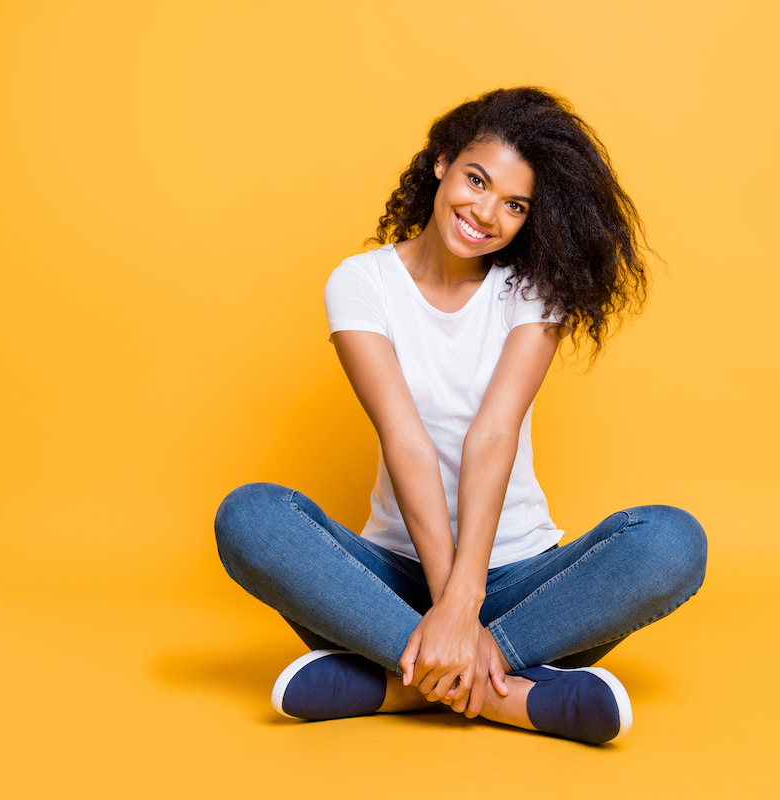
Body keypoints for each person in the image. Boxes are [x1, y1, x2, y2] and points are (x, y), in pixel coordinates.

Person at [214, 87, 706, 744]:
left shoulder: (534, 289)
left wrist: (466, 604)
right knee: (250, 518)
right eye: (477, 180)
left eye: (514, 205)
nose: (485, 212)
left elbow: (493, 433)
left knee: (672, 542)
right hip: (386, 587)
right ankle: (509, 697)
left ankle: (404, 682)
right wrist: (445, 605)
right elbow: (404, 438)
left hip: (521, 586)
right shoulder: (362, 283)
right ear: (442, 162)